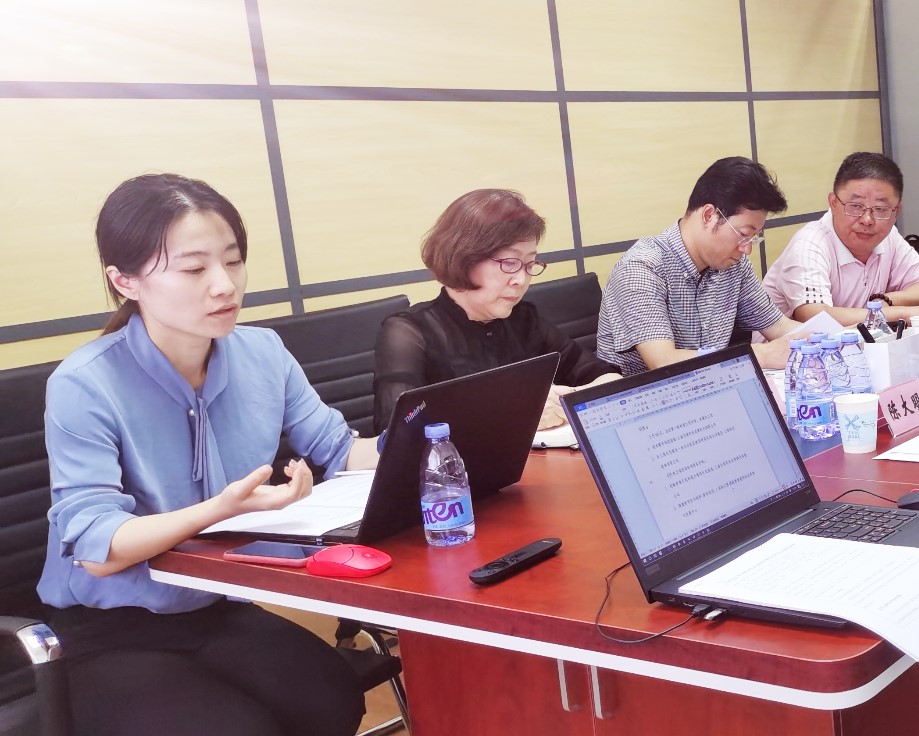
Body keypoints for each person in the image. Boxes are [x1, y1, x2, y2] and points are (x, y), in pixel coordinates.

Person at [40, 174, 381, 736]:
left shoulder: (262, 352)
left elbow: (340, 449)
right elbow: (99, 549)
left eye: (234, 261)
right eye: (194, 269)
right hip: (111, 629)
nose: (225, 285)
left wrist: (438, 438)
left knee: (332, 700)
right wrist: (222, 509)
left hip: (220, 604)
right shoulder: (85, 383)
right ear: (124, 281)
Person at [373, 189, 620, 432]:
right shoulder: (409, 332)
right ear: (463, 258)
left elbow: (608, 378)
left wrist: (566, 400)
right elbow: (396, 431)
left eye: (530, 264)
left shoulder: (524, 319)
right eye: (510, 263)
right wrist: (519, 411)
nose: (521, 280)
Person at [596, 157, 805, 375]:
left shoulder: (734, 265)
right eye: (744, 234)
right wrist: (761, 354)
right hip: (651, 394)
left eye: (753, 238)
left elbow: (780, 327)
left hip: (716, 385)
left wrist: (824, 336)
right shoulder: (641, 268)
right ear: (709, 215)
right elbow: (663, 362)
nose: (747, 249)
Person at [763, 152, 919, 329]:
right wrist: (904, 313)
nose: (867, 220)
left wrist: (886, 300)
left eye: (880, 209)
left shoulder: (888, 236)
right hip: (789, 356)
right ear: (833, 203)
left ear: (896, 211)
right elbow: (814, 316)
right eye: (856, 206)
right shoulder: (810, 244)